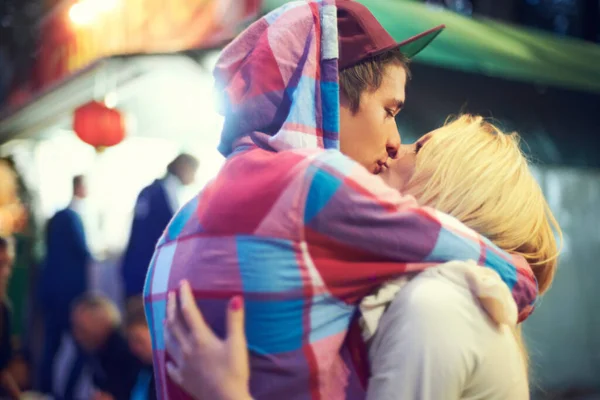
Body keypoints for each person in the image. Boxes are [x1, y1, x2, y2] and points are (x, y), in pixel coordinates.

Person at [144, 1, 538, 399]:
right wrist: (520, 275)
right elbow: (511, 275)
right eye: (389, 110)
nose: (392, 143)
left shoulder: (179, 225)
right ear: (326, 92)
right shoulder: (315, 185)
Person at [163, 115, 560, 399]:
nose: (395, 146)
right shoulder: (449, 297)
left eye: (418, 148)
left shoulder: (439, 305)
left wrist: (226, 392)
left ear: (456, 186)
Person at [39, 175, 92, 395]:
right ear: (80, 187)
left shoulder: (58, 217)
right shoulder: (71, 217)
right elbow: (83, 252)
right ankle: (65, 394)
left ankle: (47, 391)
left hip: (52, 291)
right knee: (82, 345)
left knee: (52, 345)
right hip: (68, 293)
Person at [121, 154, 199, 300]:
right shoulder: (167, 191)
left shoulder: (150, 190)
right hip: (149, 265)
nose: (194, 178)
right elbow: (177, 229)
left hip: (135, 265)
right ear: (184, 168)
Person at [71, 294, 142, 400]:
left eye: (82, 330)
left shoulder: (125, 351)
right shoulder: (96, 351)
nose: (77, 336)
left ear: (101, 321)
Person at [0, 236, 21, 400]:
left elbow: (2, 370)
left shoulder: (5, 310)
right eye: (0, 264)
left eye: (9, 265)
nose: (6, 273)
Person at [124, 297, 157, 400]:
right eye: (131, 342)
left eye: (139, 340)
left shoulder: (173, 375)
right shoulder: (139, 370)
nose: (135, 348)